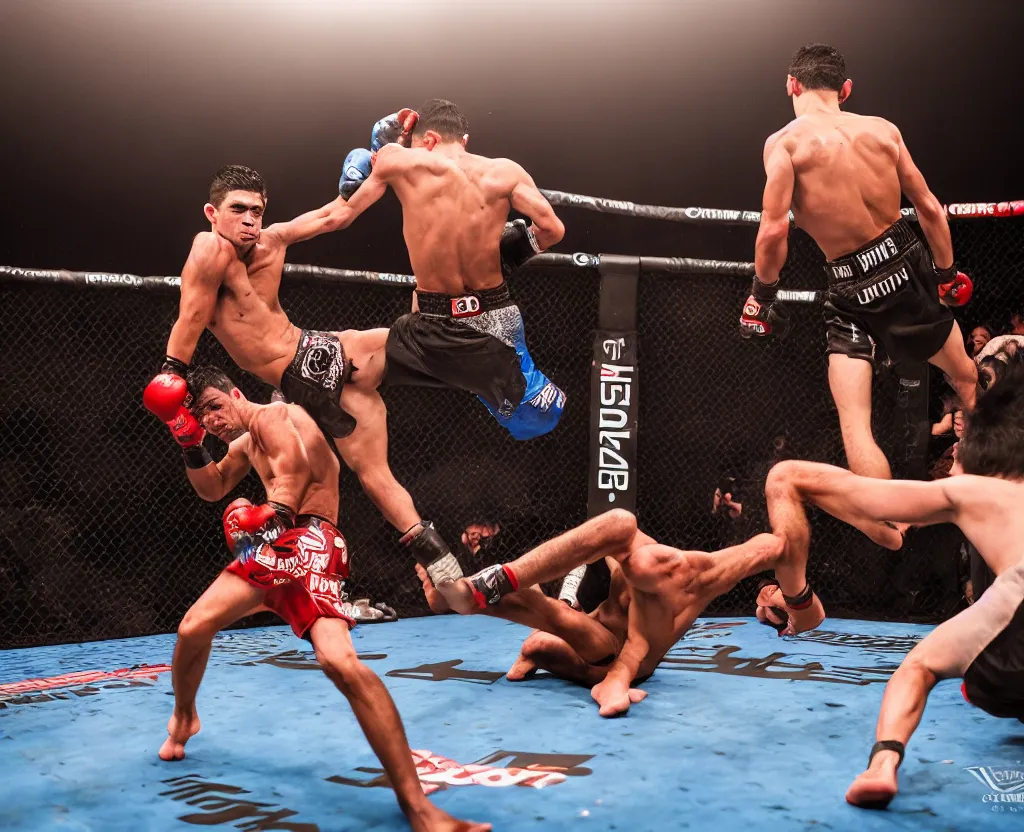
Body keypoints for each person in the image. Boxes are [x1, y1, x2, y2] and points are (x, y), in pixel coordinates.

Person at [145, 365, 488, 832]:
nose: (211, 421)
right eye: (201, 417)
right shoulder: (247, 442)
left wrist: (273, 511)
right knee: (193, 626)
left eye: (213, 408)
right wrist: (187, 441)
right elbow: (213, 486)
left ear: (237, 394)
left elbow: (294, 467)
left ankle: (418, 805)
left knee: (340, 664)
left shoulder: (275, 416)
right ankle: (184, 718)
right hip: (278, 546)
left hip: (308, 542)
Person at [144, 164, 468, 596]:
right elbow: (192, 315)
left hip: (316, 353)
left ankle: (470, 275)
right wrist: (174, 372)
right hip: (304, 381)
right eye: (238, 209)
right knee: (376, 478)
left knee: (423, 339)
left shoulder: (272, 241)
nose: (249, 220)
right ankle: (449, 574)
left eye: (256, 211)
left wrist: (380, 166)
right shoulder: (209, 250)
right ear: (211, 212)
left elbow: (336, 214)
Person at [757, 354, 1024, 809]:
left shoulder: (973, 490)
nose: (952, 455)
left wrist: (792, 479)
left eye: (958, 451)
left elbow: (853, 493)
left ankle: (882, 765)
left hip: (1014, 606)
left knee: (917, 668)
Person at [325, 99, 569, 596]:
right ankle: (425, 543)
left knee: (343, 371)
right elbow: (553, 229)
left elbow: (346, 206)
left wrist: (374, 149)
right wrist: (504, 248)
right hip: (483, 322)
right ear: (465, 138)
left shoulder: (403, 160)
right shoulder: (502, 171)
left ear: (428, 140)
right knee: (538, 419)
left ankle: (297, 401)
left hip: (442, 323)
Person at [739, 43, 978, 483]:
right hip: (906, 265)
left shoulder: (784, 144)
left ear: (791, 84)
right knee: (966, 379)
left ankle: (893, 527)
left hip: (851, 288)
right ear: (845, 90)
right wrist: (945, 274)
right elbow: (928, 207)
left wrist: (761, 295)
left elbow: (773, 231)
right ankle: (999, 482)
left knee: (856, 425)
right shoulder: (884, 131)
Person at [423, 510, 786, 717]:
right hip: (592, 632)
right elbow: (579, 549)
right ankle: (468, 593)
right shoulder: (631, 554)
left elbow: (635, 652)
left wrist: (793, 599)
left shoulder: (687, 593)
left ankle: (490, 618)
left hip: (611, 656)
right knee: (611, 529)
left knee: (542, 626)